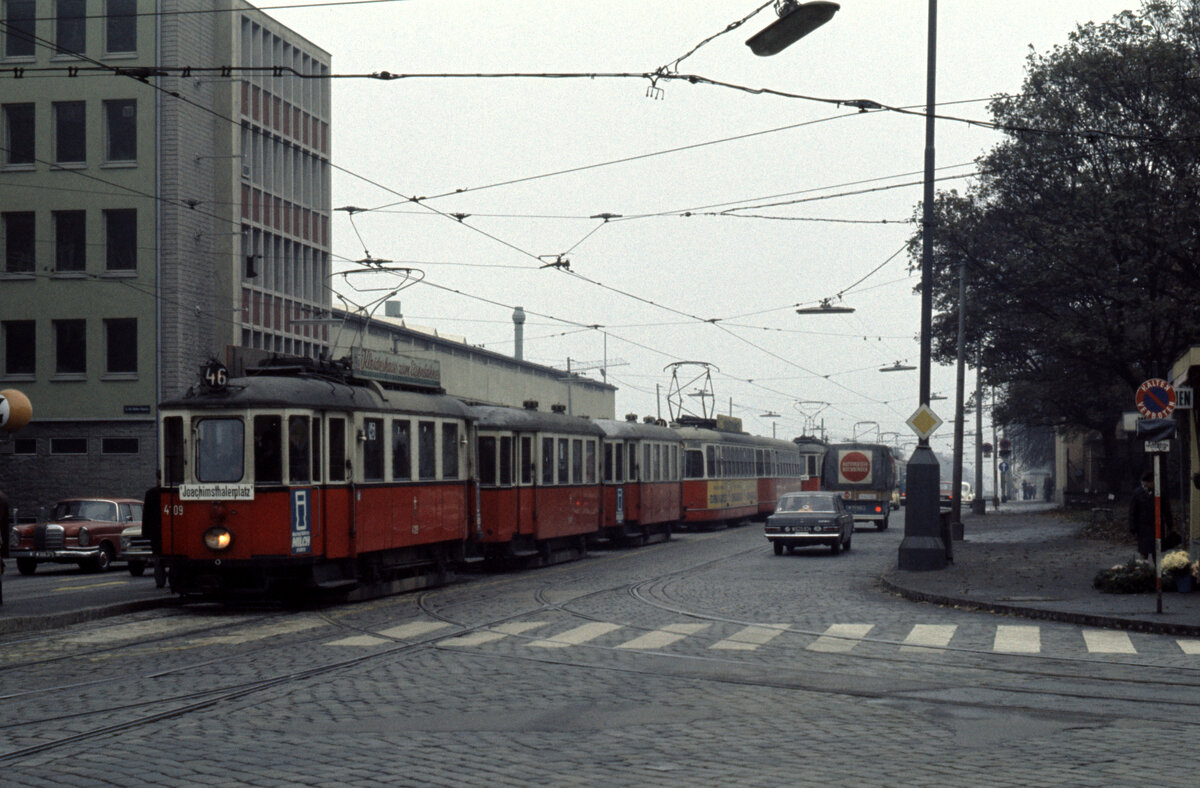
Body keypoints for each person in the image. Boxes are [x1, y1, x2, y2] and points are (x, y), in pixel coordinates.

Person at [1129, 470, 1176, 562]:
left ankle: (1157, 572)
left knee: (1156, 552)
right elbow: (1132, 512)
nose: (1154, 484)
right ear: (1147, 482)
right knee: (1144, 553)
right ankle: (1143, 572)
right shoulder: (1137, 493)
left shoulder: (1159, 492)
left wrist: (1169, 524)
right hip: (1143, 528)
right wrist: (1132, 527)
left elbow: (1166, 509)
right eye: (1153, 482)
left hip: (1156, 526)